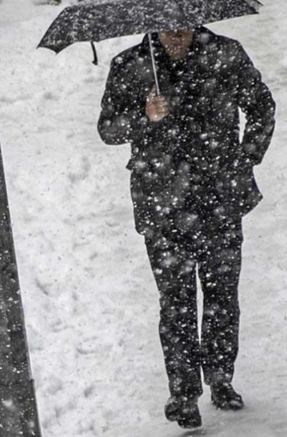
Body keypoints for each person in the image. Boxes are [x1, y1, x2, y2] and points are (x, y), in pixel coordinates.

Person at [98, 27, 275, 429]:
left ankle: (220, 377)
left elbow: (261, 105)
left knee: (221, 295)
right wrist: (143, 115)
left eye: (183, 27)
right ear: (154, 27)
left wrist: (246, 158)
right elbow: (107, 128)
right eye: (167, 29)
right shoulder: (131, 65)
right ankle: (183, 393)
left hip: (219, 197)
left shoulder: (225, 55)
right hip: (161, 203)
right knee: (175, 301)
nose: (176, 35)